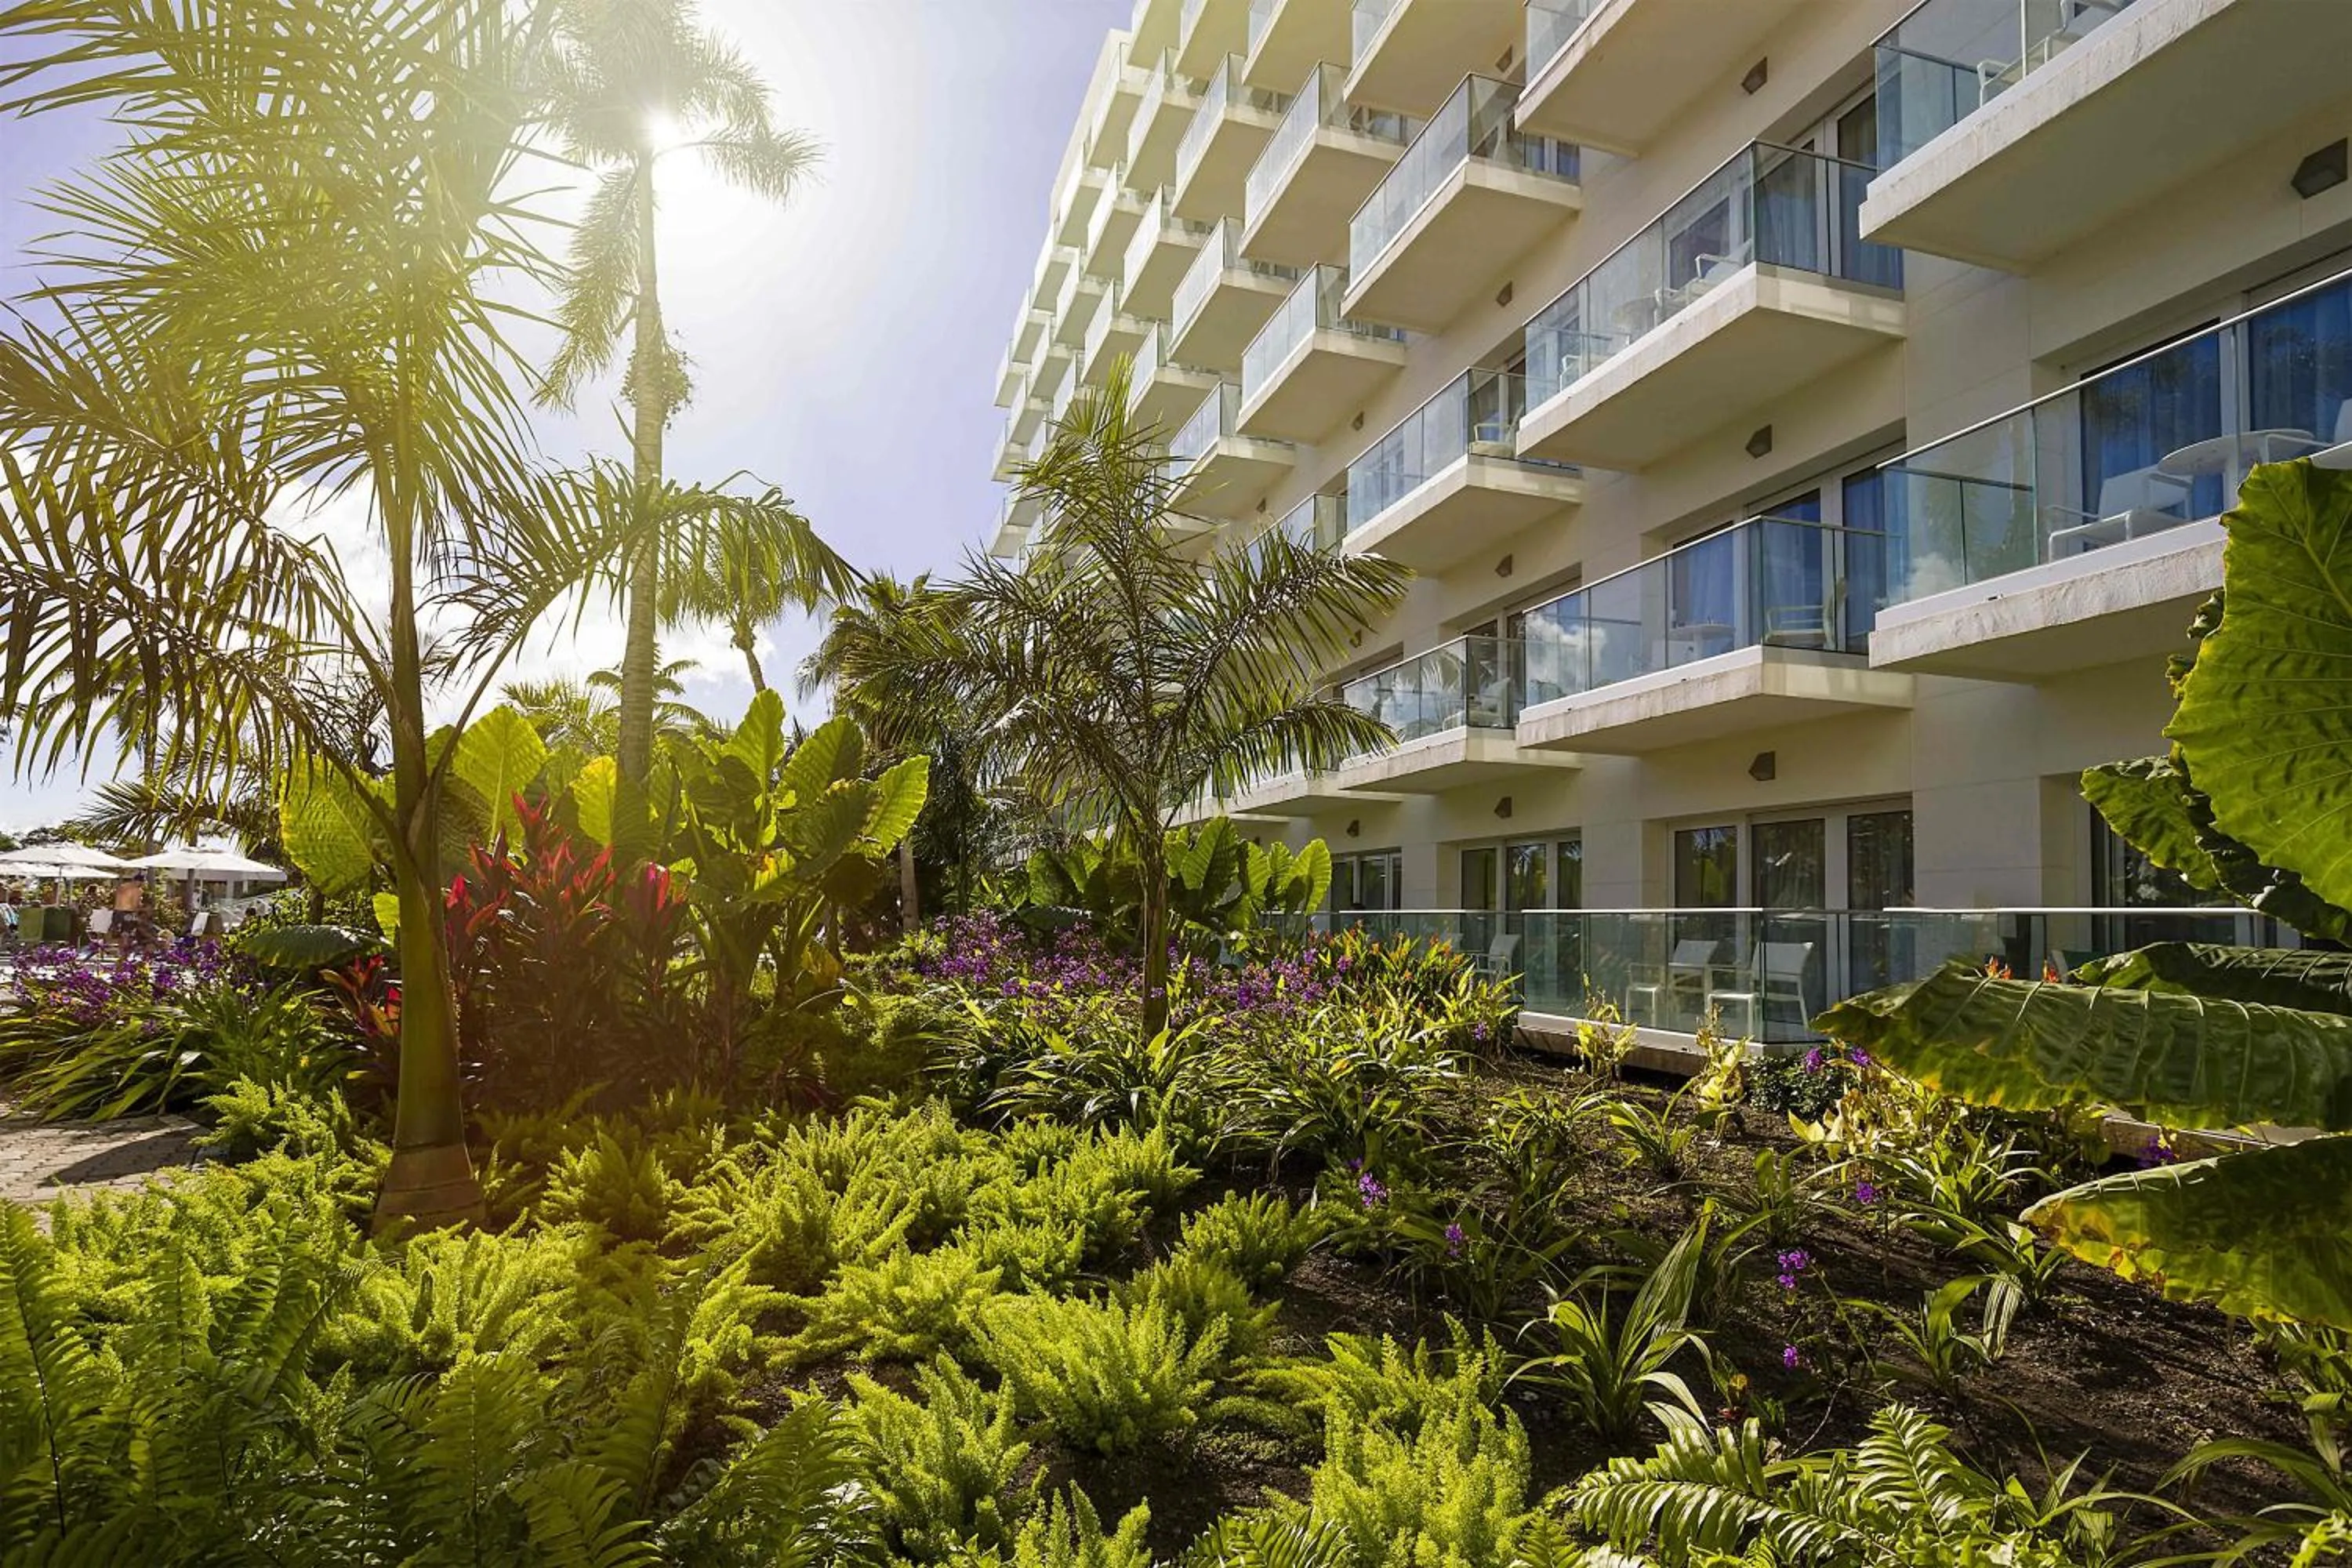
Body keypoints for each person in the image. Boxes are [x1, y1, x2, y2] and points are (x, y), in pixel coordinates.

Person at [111, 873, 147, 955]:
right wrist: (143, 909)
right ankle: (125, 953)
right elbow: (135, 906)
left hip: (117, 912)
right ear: (140, 882)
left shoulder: (122, 887)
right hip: (128, 912)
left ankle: (120, 952)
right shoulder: (137, 890)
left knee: (119, 933)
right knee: (126, 933)